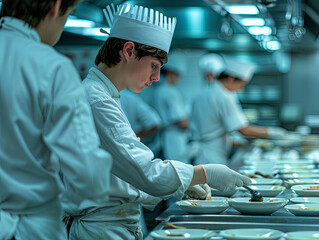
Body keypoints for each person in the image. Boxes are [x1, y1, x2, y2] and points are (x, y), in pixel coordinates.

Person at [63, 4, 250, 239]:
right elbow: (145, 172)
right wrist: (204, 173)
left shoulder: (106, 95)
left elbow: (120, 175)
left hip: (110, 223)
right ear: (128, 51)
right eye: (153, 65)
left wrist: (178, 186)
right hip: (101, 229)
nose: (156, 77)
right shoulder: (96, 100)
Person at [0, 0, 113, 239]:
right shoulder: (51, 66)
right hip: (29, 228)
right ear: (55, 7)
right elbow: (89, 176)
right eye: (69, 15)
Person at [190, 57, 288, 165]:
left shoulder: (202, 93)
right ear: (231, 78)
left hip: (201, 154)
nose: (240, 89)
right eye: (241, 84)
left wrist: (240, 143)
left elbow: (210, 130)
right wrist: (274, 132)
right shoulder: (224, 95)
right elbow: (243, 129)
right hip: (212, 157)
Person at [153, 53, 190, 163]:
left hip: (167, 137)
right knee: (178, 170)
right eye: (178, 75)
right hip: (174, 138)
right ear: (170, 72)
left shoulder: (159, 90)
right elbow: (181, 122)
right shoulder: (170, 92)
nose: (179, 78)